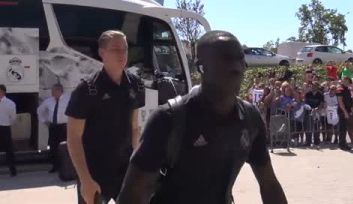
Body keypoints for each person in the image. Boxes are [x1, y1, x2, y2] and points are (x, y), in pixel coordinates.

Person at [117, 31, 287, 204]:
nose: (237, 66)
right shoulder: (168, 119)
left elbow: (269, 184)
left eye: (240, 58)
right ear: (201, 67)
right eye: (226, 58)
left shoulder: (250, 119)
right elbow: (132, 196)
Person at [66, 30, 146, 204]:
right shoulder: (87, 89)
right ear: (102, 53)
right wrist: (85, 180)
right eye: (116, 49)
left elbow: (134, 127)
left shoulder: (136, 85)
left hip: (125, 171)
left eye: (125, 49)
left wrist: (138, 164)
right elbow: (73, 138)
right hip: (94, 173)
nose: (122, 54)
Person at [37, 84, 70, 173]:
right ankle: (55, 166)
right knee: (53, 146)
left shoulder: (68, 99)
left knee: (65, 147)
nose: (52, 92)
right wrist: (44, 120)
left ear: (60, 91)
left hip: (65, 126)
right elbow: (40, 110)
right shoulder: (49, 101)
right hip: (54, 127)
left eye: (53, 90)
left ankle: (66, 166)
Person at [0, 84, 17, 176]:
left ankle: (12, 170)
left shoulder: (10, 103)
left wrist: (7, 123)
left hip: (5, 127)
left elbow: (13, 117)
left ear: (2, 92)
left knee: (9, 150)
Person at [337, 77, 353, 151]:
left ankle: (343, 142)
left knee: (345, 128)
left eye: (347, 81)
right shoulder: (340, 89)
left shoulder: (347, 89)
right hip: (343, 111)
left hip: (347, 110)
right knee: (342, 128)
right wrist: (345, 112)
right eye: (345, 81)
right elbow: (340, 102)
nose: (346, 82)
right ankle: (342, 144)